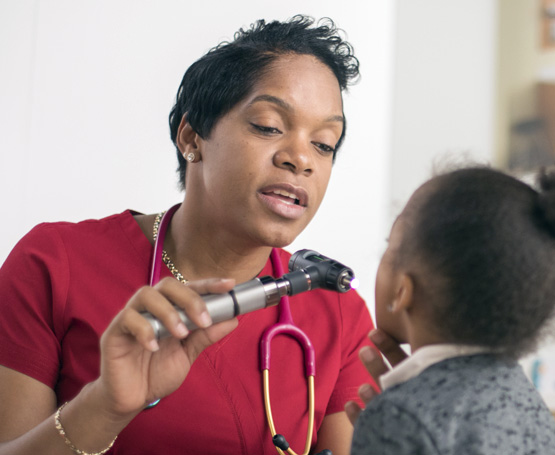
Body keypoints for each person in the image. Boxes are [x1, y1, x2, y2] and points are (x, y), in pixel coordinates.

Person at [0, 15, 376, 455]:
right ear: (191, 137)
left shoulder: (338, 311)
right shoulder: (55, 263)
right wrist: (104, 408)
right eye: (270, 126)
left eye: (324, 144)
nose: (301, 159)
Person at [345, 166, 555, 454]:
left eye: (390, 246)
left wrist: (388, 424)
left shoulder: (399, 415)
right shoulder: (531, 405)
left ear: (403, 291)